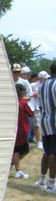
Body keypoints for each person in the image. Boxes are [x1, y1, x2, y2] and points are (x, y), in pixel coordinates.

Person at [38, 64, 56, 193]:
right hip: (54, 122)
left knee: (47, 151)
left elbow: (40, 105)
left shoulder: (43, 84)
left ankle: (41, 180)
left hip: (44, 121)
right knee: (54, 153)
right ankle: (51, 184)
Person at [12, 83, 33, 179]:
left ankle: (13, 164)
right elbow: (31, 113)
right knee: (19, 150)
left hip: (14, 128)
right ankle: (18, 170)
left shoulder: (12, 102)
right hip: (22, 129)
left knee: (21, 150)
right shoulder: (23, 103)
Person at [31, 71, 49, 149]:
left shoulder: (48, 85)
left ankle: (46, 140)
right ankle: (39, 141)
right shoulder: (33, 85)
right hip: (37, 107)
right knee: (37, 125)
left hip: (46, 107)